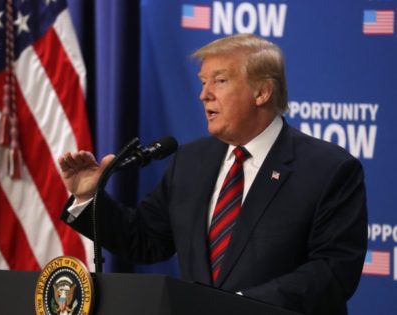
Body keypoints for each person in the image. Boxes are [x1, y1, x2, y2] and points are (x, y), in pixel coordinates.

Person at [59, 34, 367, 314]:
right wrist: (88, 196)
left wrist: (238, 305)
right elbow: (145, 240)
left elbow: (333, 272)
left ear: (261, 92)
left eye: (219, 81)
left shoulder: (328, 169)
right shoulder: (191, 161)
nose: (204, 95)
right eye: (203, 82)